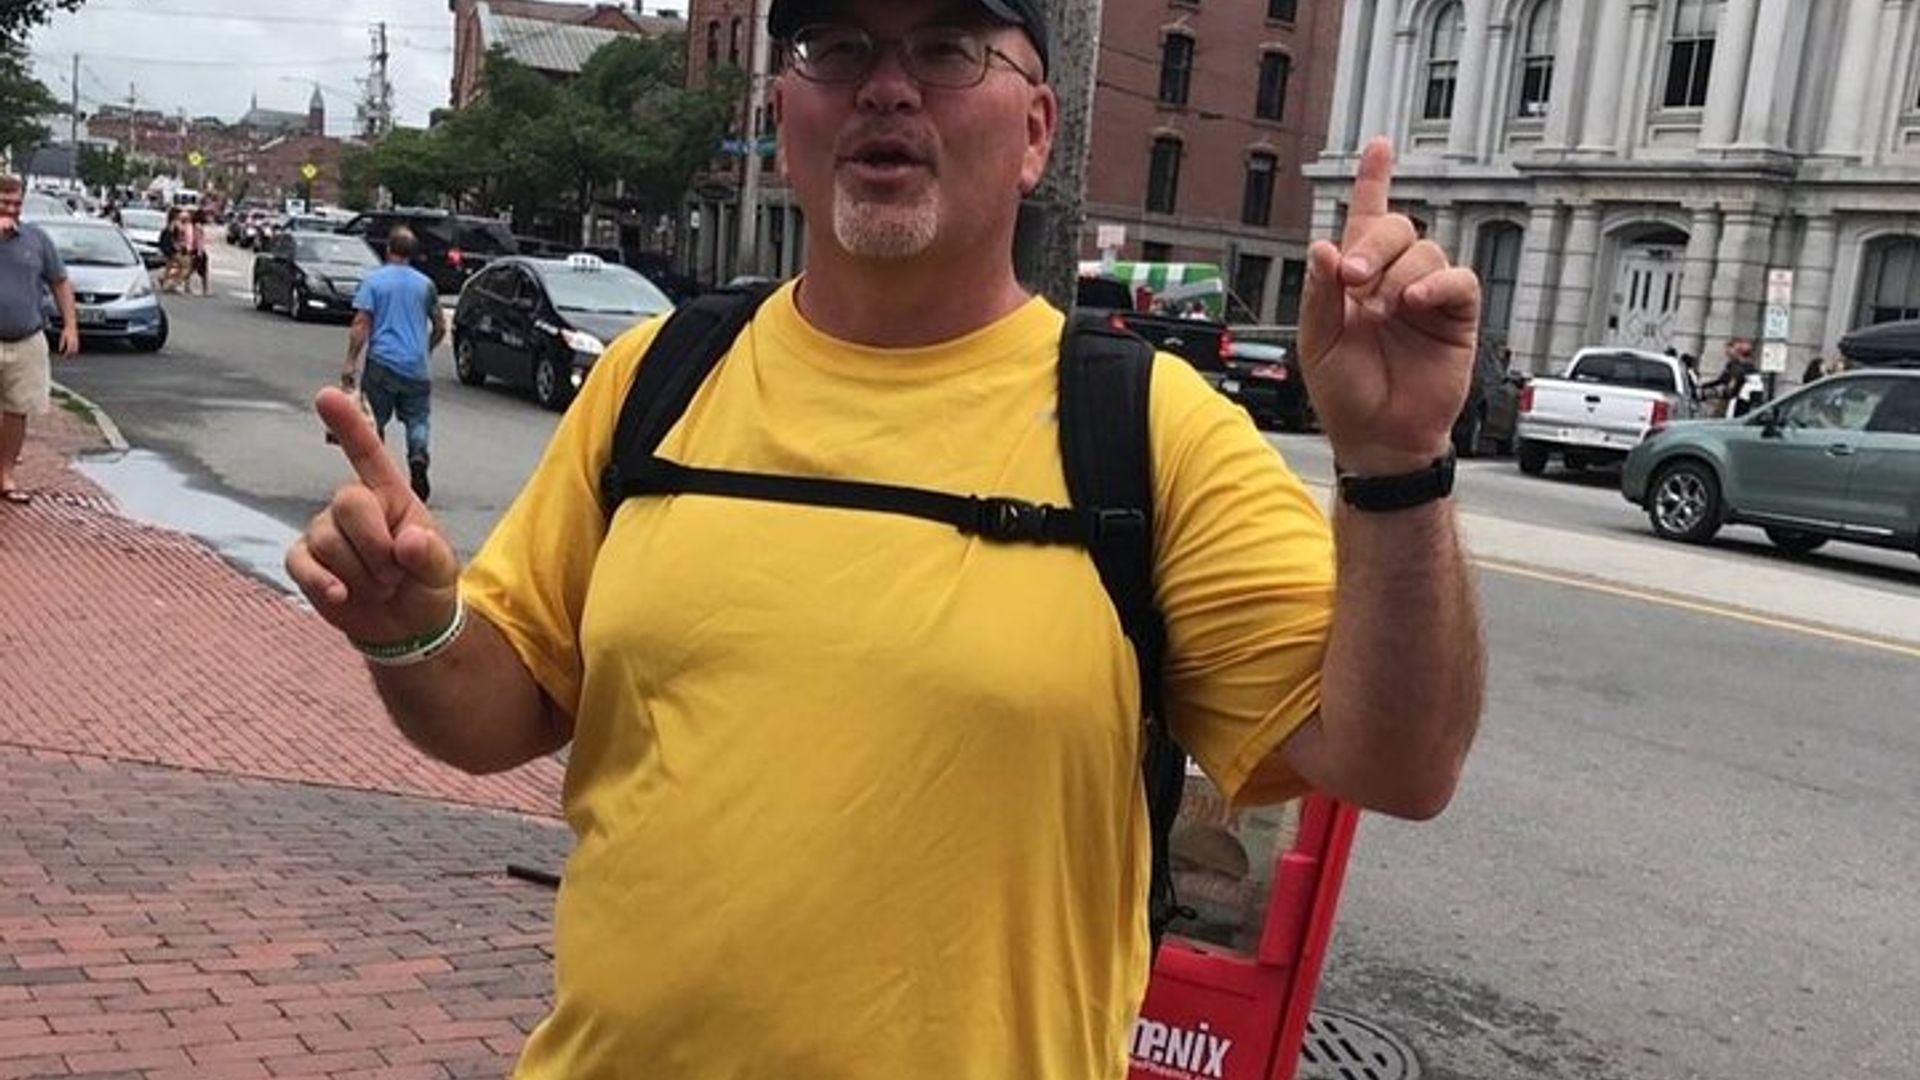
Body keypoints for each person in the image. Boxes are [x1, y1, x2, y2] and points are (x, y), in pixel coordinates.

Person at [286, 1, 1485, 1075]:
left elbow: (1399, 764)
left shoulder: (1152, 431)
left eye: (948, 46)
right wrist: (415, 632)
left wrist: (1396, 465)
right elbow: (504, 714)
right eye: (838, 44)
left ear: (1037, 130)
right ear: (783, 115)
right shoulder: (657, 379)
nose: (888, 86)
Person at [343, 226, 443, 502]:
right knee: (418, 419)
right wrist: (426, 349)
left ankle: (377, 476)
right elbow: (440, 326)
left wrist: (350, 362)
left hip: (382, 362)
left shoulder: (374, 282)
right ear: (413, 253)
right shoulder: (426, 285)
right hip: (416, 366)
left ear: (388, 249)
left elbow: (361, 323)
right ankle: (418, 455)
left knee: (375, 420)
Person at [0, 175, 80, 505]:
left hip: (26, 337)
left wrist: (70, 326)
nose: (11, 209)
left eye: (16, 203)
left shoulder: (36, 239)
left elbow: (60, 281)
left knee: (18, 409)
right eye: (5, 202)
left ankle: (6, 474)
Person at [1701, 338, 1756, 416]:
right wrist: (1705, 386)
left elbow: (1733, 386)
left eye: (1729, 349)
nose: (1726, 352)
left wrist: (1717, 392)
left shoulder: (1744, 367)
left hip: (1736, 402)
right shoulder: (1731, 364)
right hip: (1729, 399)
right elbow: (1723, 379)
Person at [189, 208, 211, 297]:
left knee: (192, 269)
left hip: (195, 249)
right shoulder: (198, 226)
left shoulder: (194, 225)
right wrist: (199, 252)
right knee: (202, 270)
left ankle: (187, 286)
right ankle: (205, 290)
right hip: (198, 250)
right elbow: (198, 240)